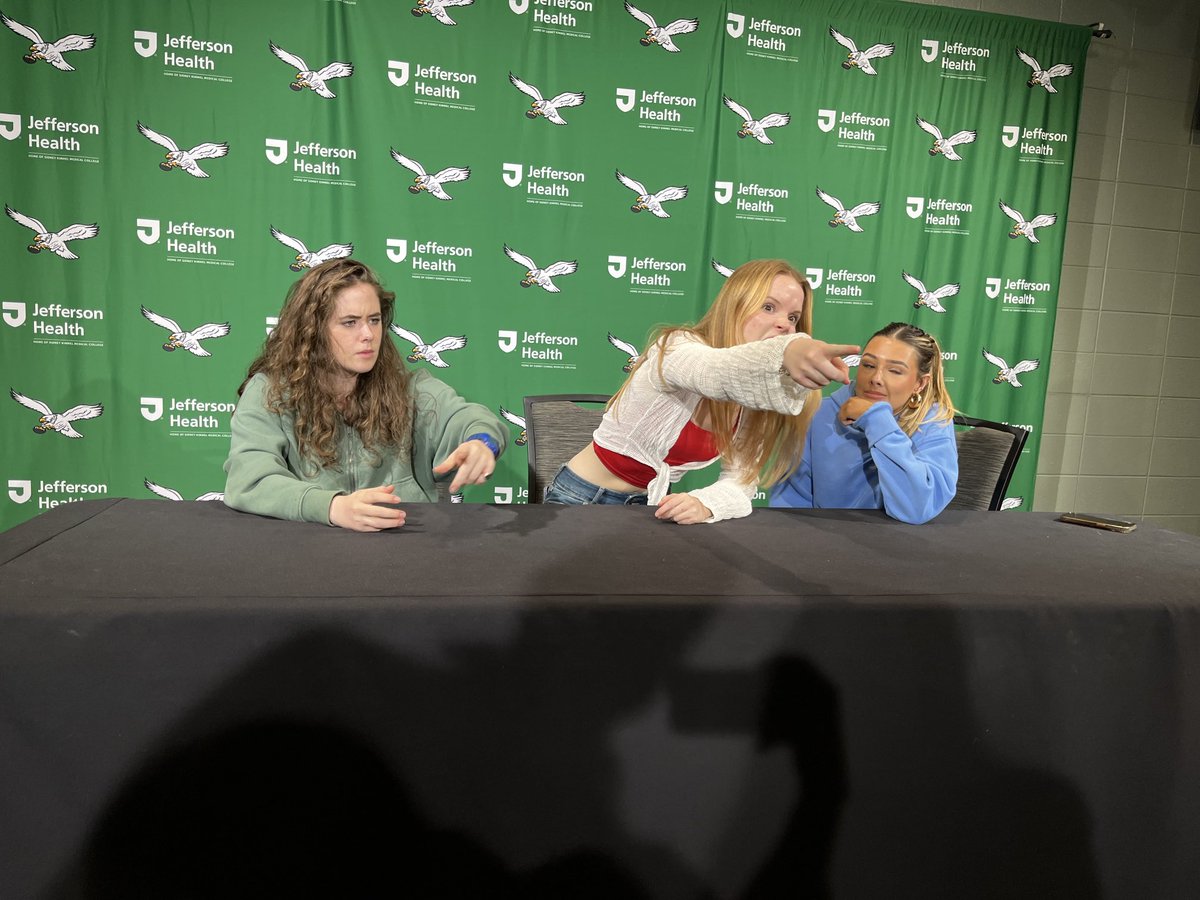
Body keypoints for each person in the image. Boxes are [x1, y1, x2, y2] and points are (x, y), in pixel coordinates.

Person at [543, 259, 859, 524]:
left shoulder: (755, 397)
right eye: (768, 307)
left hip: (648, 509)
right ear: (734, 305)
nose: (785, 326)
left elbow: (742, 482)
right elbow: (714, 371)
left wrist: (705, 504)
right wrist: (788, 352)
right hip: (579, 498)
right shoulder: (678, 347)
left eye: (793, 318)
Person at [224, 259, 506, 531]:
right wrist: (333, 508)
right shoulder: (271, 392)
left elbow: (467, 417)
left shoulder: (410, 389)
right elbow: (250, 480)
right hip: (309, 552)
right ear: (314, 331)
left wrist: (482, 442)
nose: (368, 334)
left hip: (406, 549)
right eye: (350, 322)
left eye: (374, 320)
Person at [771, 321, 957, 524]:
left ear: (920, 383)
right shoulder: (817, 414)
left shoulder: (933, 421)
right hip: (822, 544)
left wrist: (876, 420)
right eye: (868, 365)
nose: (876, 378)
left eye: (895, 371)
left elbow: (917, 509)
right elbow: (789, 504)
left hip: (898, 546)